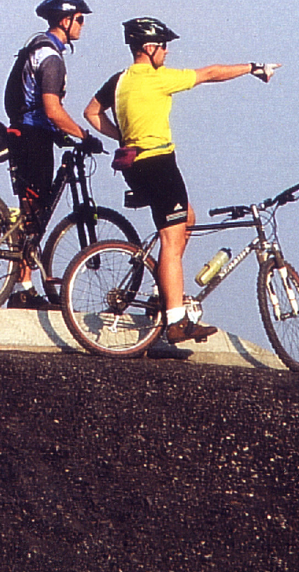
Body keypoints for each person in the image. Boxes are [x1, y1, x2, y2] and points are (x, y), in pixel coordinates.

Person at [84, 17, 276, 343]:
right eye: (163, 46)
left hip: (134, 166)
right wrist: (253, 68)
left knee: (187, 218)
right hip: (160, 165)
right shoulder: (158, 78)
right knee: (171, 243)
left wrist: (124, 138)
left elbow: (91, 112)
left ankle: (164, 290)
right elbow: (211, 73)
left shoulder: (118, 80)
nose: (167, 52)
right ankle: (175, 320)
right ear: (149, 48)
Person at [2, 0, 104, 303]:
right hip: (34, 136)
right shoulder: (51, 58)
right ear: (65, 20)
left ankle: (23, 285)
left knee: (31, 209)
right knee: (35, 211)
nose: (82, 25)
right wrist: (84, 135)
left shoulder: (35, 47)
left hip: (25, 131)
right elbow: (52, 109)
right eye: (80, 19)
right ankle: (22, 288)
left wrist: (59, 133)